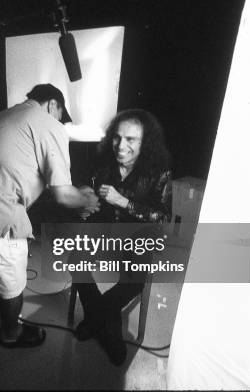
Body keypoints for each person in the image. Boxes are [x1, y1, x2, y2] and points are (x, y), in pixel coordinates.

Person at [0, 84, 100, 348]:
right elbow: (64, 195)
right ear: (54, 105)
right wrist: (87, 198)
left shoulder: (9, 116)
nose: (61, 124)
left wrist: (71, 193)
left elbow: (26, 178)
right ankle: (10, 333)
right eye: (61, 115)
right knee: (13, 282)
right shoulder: (50, 124)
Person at [74, 109, 172, 365]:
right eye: (117, 138)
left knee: (135, 280)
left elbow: (163, 219)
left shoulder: (158, 172)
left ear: (145, 142)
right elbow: (86, 188)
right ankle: (106, 320)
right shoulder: (103, 162)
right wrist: (84, 200)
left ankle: (98, 318)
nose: (121, 146)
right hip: (103, 231)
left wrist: (123, 201)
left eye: (131, 139)